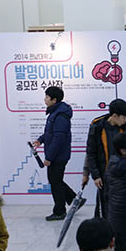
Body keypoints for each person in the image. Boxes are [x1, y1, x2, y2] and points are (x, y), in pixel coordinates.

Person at [32, 86, 78, 221]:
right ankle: (75, 199)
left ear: (54, 100)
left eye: (47, 97)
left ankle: (59, 212)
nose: (45, 100)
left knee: (55, 183)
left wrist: (49, 157)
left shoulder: (61, 116)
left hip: (58, 156)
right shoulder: (55, 113)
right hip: (57, 155)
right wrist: (40, 140)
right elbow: (50, 133)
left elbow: (58, 139)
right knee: (56, 181)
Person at [86, 99, 126, 218]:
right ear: (114, 116)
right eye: (123, 117)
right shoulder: (97, 126)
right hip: (104, 175)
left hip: (121, 175)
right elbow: (91, 153)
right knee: (103, 206)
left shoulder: (125, 127)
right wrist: (95, 175)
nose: (125, 120)